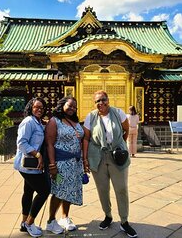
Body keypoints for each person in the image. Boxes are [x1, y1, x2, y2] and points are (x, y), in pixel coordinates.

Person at [82, 90, 138, 238]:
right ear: (95, 103)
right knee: (102, 189)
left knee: (121, 188)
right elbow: (86, 138)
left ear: (108, 100)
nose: (101, 103)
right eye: (97, 101)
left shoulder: (118, 113)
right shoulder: (91, 117)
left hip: (116, 155)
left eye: (103, 100)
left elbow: (126, 130)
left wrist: (119, 146)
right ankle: (108, 215)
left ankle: (124, 221)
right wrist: (85, 158)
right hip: (97, 156)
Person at [45, 96, 85, 234]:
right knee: (59, 191)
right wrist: (52, 164)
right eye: (69, 106)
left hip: (75, 163)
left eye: (74, 107)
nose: (72, 108)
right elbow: (49, 143)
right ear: (62, 105)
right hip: (61, 163)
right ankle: (51, 221)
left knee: (69, 191)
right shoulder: (54, 121)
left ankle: (65, 217)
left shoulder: (75, 122)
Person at [13, 97, 50, 237]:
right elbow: (21, 143)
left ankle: (24, 223)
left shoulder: (38, 123)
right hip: (27, 164)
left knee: (28, 192)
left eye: (42, 107)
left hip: (32, 166)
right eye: (36, 107)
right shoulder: (28, 121)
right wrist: (38, 155)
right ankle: (29, 223)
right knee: (44, 191)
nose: (39, 109)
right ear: (30, 107)